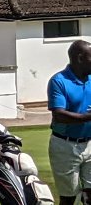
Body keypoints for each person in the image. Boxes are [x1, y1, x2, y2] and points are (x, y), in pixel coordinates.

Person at [49, 39, 91, 204]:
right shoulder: (58, 81)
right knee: (69, 197)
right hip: (65, 146)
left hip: (89, 143)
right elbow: (59, 115)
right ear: (80, 58)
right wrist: (88, 117)